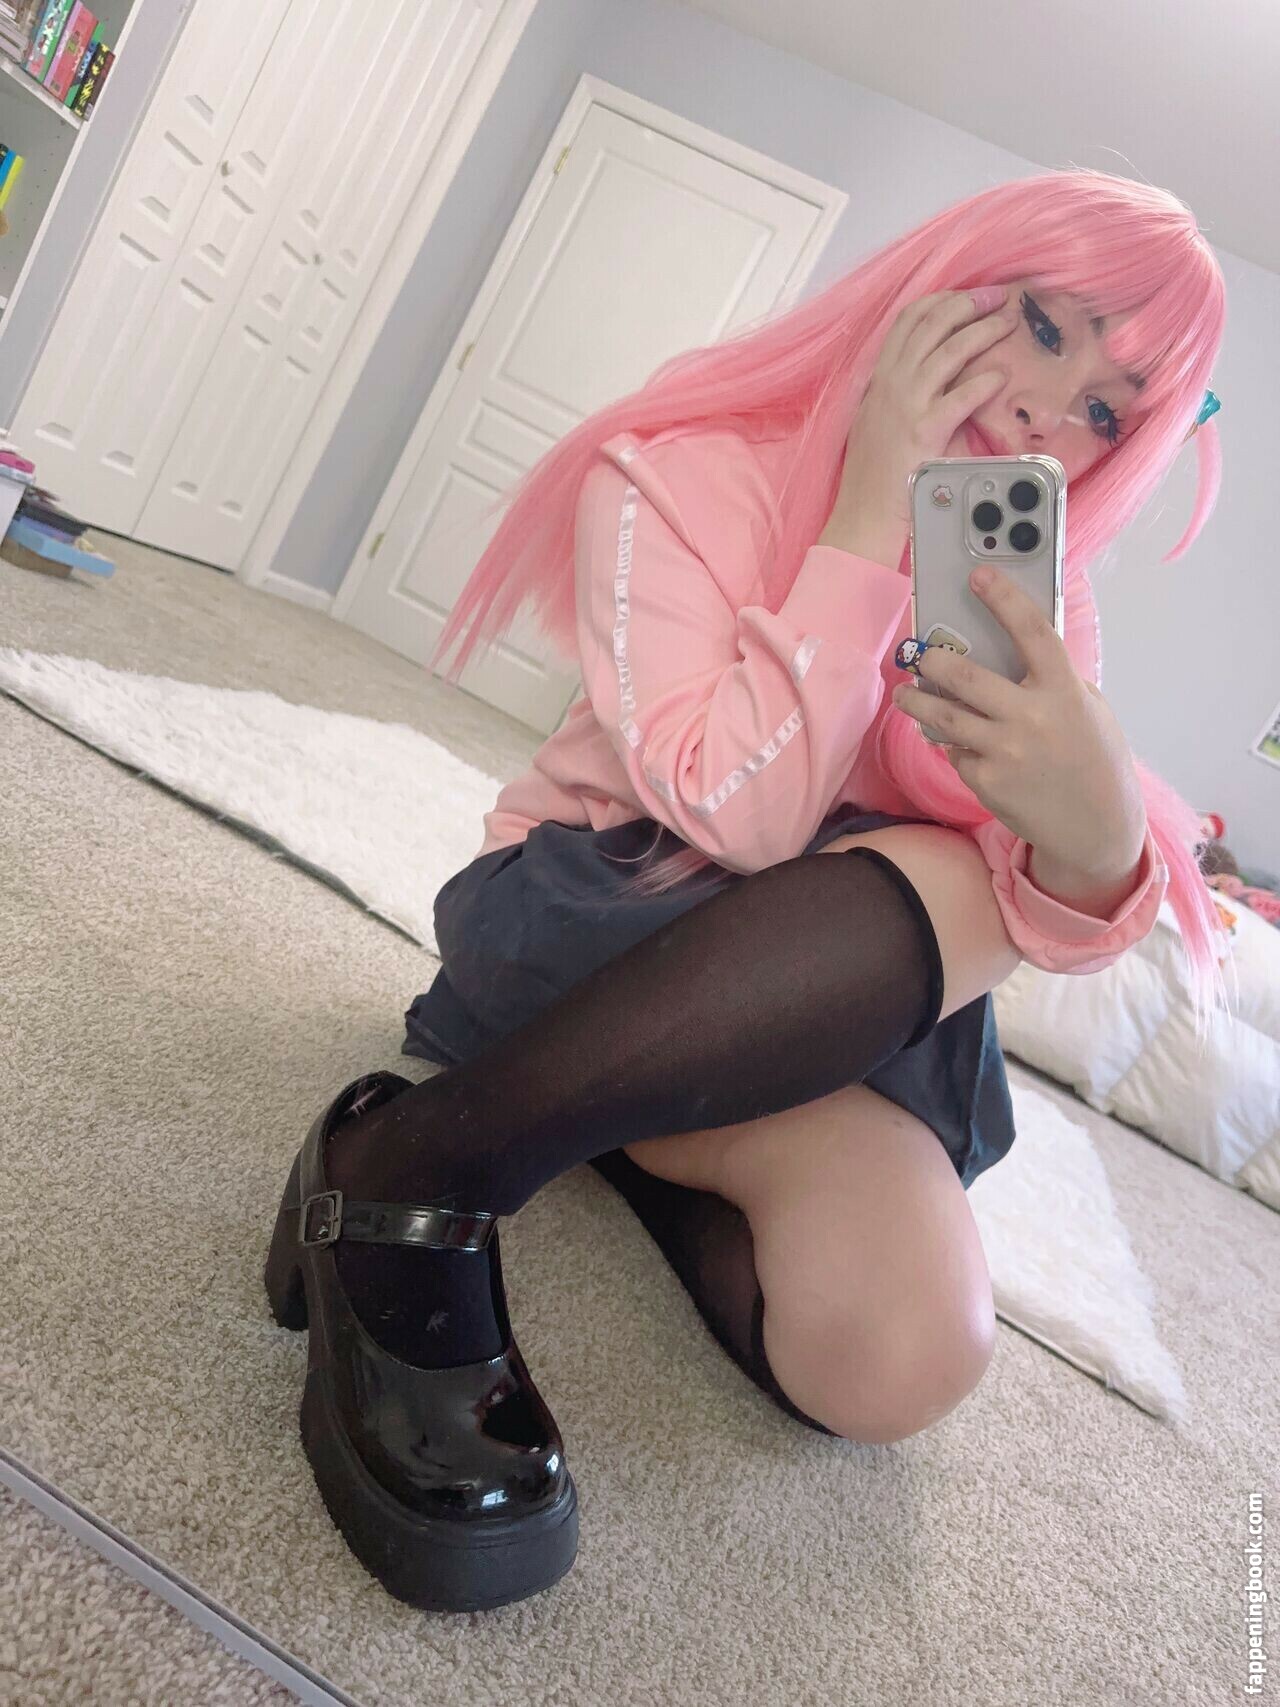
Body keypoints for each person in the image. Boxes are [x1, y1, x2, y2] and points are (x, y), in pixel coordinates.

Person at [263, 168, 1227, 1613]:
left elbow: (1029, 917)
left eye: (1106, 406)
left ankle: (598, 1125)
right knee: (955, 873)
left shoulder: (1037, 588)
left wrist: (1095, 841)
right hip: (590, 916)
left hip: (812, 1025)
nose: (1046, 410)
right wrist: (865, 518)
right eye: (1040, 324)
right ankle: (417, 1170)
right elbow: (738, 810)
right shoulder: (676, 462)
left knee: (904, 1357)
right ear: (951, 272)